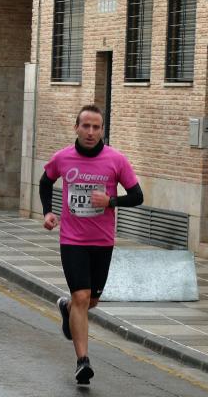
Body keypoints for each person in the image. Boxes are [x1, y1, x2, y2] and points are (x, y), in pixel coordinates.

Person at [39, 104, 143, 385]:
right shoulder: (63, 157)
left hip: (102, 240)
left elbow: (137, 196)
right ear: (76, 127)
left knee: (90, 300)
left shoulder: (116, 160)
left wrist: (111, 201)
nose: (90, 131)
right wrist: (48, 211)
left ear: (102, 131)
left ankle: (67, 308)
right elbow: (45, 182)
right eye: (85, 126)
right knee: (82, 297)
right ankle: (82, 361)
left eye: (96, 127)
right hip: (72, 240)